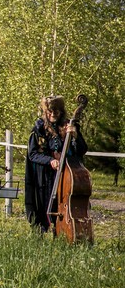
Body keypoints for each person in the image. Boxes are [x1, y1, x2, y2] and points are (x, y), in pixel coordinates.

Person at [24, 95, 88, 232]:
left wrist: (75, 136)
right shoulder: (39, 128)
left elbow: (82, 150)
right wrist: (50, 160)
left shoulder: (70, 125)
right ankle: (42, 230)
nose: (53, 114)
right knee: (44, 204)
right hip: (45, 176)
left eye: (56, 111)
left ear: (61, 111)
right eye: (50, 111)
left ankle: (64, 231)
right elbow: (33, 154)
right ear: (45, 111)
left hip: (67, 174)